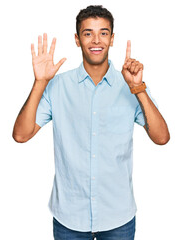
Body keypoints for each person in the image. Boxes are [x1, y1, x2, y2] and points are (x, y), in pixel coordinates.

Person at [12, 5, 170, 240]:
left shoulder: (130, 86)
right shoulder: (57, 86)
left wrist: (138, 88)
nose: (96, 40)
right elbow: (21, 135)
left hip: (118, 218)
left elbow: (161, 138)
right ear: (77, 40)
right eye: (88, 33)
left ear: (112, 38)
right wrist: (40, 83)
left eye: (103, 32)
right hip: (69, 217)